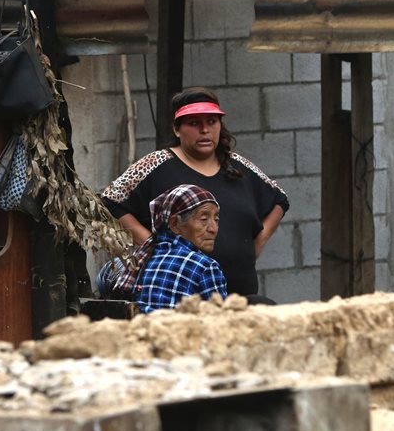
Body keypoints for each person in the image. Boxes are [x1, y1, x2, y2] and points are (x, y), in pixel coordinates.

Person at [101, 87, 289, 298]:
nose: (205, 130)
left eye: (211, 121)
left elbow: (280, 198)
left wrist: (257, 243)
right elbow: (109, 201)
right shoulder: (156, 164)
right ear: (177, 129)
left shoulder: (237, 166)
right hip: (178, 297)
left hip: (239, 297)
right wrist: (152, 246)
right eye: (194, 123)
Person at [110, 184, 227, 313]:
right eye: (204, 219)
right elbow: (218, 323)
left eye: (216, 219)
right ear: (174, 224)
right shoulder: (205, 267)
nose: (213, 229)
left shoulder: (143, 257)